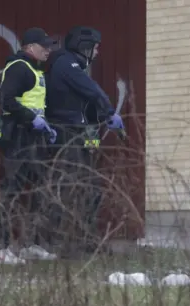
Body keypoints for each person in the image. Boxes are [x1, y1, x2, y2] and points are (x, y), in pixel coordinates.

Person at [44, 26, 125, 253]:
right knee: (70, 185)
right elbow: (92, 91)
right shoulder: (66, 64)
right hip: (65, 133)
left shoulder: (72, 66)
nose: (97, 53)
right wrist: (110, 112)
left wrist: (99, 123)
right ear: (84, 46)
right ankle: (56, 241)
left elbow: (83, 105)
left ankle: (88, 239)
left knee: (90, 186)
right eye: (95, 48)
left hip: (78, 132)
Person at [0, 27, 59, 264]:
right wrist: (32, 119)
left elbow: (33, 103)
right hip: (19, 137)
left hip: (34, 138)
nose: (48, 50)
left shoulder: (34, 69)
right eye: (44, 46)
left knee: (40, 191)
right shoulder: (19, 67)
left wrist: (45, 126)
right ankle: (0, 250)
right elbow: (5, 100)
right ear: (30, 47)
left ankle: (32, 244)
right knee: (10, 193)